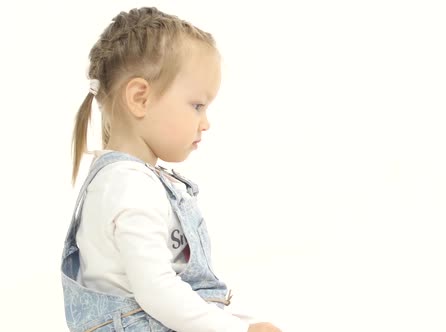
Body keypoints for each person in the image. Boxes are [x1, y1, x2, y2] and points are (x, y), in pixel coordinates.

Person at [60, 7, 282, 332]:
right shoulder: (129, 185)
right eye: (197, 106)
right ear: (140, 98)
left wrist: (244, 321)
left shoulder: (130, 179)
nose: (205, 123)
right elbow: (158, 292)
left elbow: (183, 292)